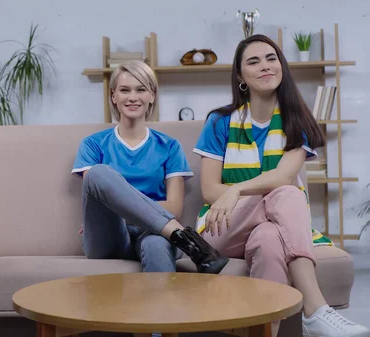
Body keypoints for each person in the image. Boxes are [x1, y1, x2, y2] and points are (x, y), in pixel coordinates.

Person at [193, 34, 369, 337]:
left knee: (269, 238)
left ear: (281, 66)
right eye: (253, 61)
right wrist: (234, 193)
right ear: (240, 76)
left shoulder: (296, 120)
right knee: (287, 193)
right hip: (222, 227)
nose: (265, 66)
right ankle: (315, 309)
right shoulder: (219, 121)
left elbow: (284, 175)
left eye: (271, 58)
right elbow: (210, 190)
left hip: (272, 222)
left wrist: (236, 188)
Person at [71, 60, 228, 274]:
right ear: (113, 96)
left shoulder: (170, 146)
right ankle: (184, 237)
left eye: (141, 89)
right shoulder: (93, 144)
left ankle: (162, 306)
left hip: (155, 235)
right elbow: (98, 196)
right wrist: (141, 213)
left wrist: (126, 209)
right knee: (98, 173)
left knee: (156, 244)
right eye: (125, 90)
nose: (133, 97)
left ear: (152, 95)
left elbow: (175, 207)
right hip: (110, 237)